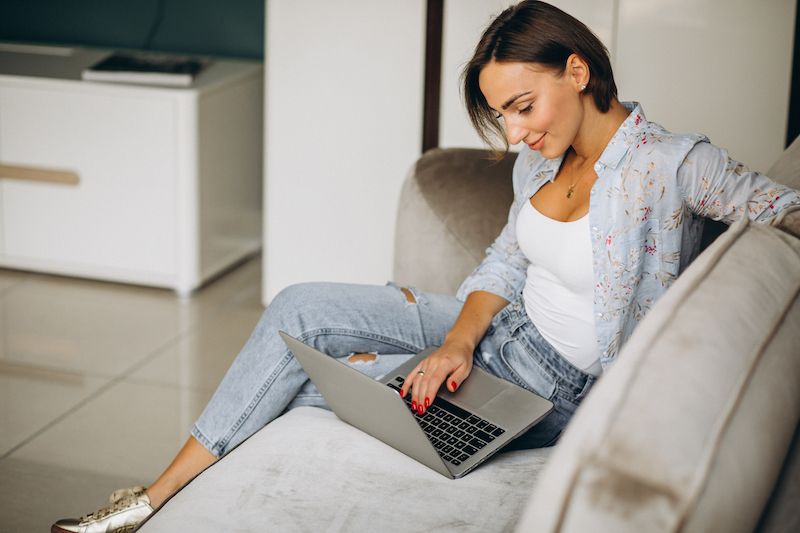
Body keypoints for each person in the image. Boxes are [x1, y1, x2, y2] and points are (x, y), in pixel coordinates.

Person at [52, 1, 800, 531]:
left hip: (553, 386)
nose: (513, 132)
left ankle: (159, 502)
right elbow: (506, 262)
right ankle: (151, 501)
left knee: (319, 384)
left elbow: (779, 206)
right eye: (501, 113)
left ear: (578, 70)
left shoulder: (672, 166)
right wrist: (453, 343)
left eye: (523, 105)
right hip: (492, 329)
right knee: (298, 310)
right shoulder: (538, 168)